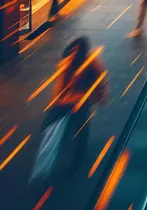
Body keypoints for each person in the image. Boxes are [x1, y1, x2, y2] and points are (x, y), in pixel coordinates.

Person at [37, 37, 108, 177]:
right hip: (66, 101)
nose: (73, 54)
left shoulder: (92, 64)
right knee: (51, 124)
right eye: (72, 51)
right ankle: (61, 147)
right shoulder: (67, 63)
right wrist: (57, 100)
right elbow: (60, 84)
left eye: (76, 51)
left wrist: (99, 97)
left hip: (81, 101)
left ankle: (76, 162)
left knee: (81, 130)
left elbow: (101, 82)